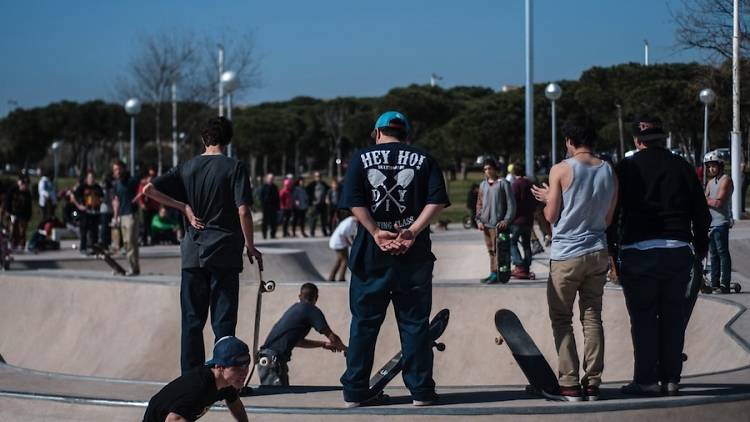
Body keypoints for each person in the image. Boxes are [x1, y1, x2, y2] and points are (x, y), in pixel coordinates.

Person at [339, 111, 449, 407]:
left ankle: (355, 389)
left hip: (371, 256)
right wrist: (411, 231)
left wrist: (376, 231)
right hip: (413, 256)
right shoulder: (424, 159)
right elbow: (437, 200)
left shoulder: (360, 159)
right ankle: (421, 391)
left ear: (377, 133)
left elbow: (354, 201)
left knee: (364, 323)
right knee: (414, 323)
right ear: (406, 135)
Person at [144, 116, 263, 373]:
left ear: (203, 139)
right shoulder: (234, 167)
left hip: (192, 254)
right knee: (223, 322)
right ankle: (225, 377)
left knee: (192, 321)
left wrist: (183, 207)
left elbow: (148, 191)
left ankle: (191, 379)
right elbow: (243, 211)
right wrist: (250, 246)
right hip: (225, 252)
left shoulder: (186, 167)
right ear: (228, 140)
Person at [608, 116, 710, 397]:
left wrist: (611, 250)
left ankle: (645, 380)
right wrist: (701, 246)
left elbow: (613, 213)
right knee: (673, 317)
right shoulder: (683, 166)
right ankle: (671, 379)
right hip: (677, 250)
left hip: (638, 252)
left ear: (637, 141)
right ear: (663, 139)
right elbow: (701, 212)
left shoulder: (626, 167)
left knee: (643, 318)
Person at [531, 120, 617, 401]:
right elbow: (607, 219)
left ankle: (569, 384)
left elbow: (551, 216)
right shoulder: (608, 170)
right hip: (597, 251)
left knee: (561, 318)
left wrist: (548, 198)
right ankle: (592, 383)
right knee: (592, 317)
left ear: (569, 140)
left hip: (567, 254)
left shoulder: (562, 168)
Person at [143, 336, 250, 422]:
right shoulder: (199, 387)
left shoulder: (227, 382)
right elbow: (173, 419)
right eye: (237, 368)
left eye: (246, 365)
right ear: (219, 367)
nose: (244, 372)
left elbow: (235, 404)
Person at [257, 283, 347, 386]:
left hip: (267, 358)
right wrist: (346, 350)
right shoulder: (312, 310)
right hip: (273, 360)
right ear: (316, 297)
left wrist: (323, 344)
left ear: (299, 296)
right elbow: (332, 336)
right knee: (276, 398)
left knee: (281, 397)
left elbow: (298, 342)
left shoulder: (295, 309)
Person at [475, 158, 516, 284]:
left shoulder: (503, 183)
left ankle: (499, 274)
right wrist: (479, 220)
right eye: (485, 169)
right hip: (486, 224)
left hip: (498, 225)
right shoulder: (483, 185)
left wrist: (506, 220)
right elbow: (479, 204)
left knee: (499, 250)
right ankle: (493, 272)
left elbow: (511, 204)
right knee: (491, 250)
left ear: (494, 169)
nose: (487, 171)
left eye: (489, 168)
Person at [703, 151, 734, 293]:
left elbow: (718, 203)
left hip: (721, 222)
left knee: (722, 253)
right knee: (713, 255)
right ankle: (714, 283)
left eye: (713, 166)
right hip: (710, 223)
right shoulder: (710, 183)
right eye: (708, 167)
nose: (710, 169)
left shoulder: (726, 179)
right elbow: (705, 201)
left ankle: (725, 284)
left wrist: (704, 199)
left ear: (720, 165)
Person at [112, 160, 141, 276]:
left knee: (130, 242)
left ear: (123, 169)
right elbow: (116, 201)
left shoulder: (132, 180)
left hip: (131, 215)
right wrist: (115, 217)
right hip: (122, 215)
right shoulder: (117, 184)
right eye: (114, 170)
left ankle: (133, 268)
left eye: (118, 169)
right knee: (126, 243)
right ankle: (134, 267)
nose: (116, 172)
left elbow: (144, 187)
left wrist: (138, 197)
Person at [509, 163, 537, 279]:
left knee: (512, 242)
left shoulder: (516, 184)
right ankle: (526, 267)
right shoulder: (530, 184)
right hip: (529, 220)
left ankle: (519, 264)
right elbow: (535, 200)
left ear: (514, 173)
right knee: (526, 244)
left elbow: (513, 202)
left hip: (517, 220)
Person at [70, 171, 104, 255]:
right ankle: (83, 248)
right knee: (84, 231)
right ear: (87, 179)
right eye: (90, 178)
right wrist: (79, 206)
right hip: (85, 212)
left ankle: (94, 248)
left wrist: (100, 202)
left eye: (92, 177)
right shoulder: (82, 187)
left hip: (95, 212)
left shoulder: (97, 187)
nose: (91, 179)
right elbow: (72, 196)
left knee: (94, 231)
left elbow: (102, 197)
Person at [4, 175, 32, 251]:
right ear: (20, 183)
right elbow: (8, 201)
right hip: (13, 212)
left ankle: (22, 244)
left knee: (22, 230)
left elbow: (29, 206)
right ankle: (13, 243)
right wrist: (8, 212)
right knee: (13, 228)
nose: (25, 187)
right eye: (24, 185)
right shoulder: (13, 189)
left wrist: (29, 216)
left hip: (23, 213)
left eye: (27, 186)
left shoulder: (27, 193)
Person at [328, 213, 358, 281]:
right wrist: (352, 244)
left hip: (341, 243)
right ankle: (341, 277)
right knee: (345, 260)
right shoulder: (349, 222)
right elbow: (344, 234)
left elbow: (351, 235)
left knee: (339, 260)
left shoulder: (354, 222)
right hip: (338, 243)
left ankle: (331, 277)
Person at [138, 166, 160, 246]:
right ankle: (144, 239)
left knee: (153, 224)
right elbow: (140, 193)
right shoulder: (144, 182)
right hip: (147, 206)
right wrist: (142, 203)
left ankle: (152, 239)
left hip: (154, 206)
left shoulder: (157, 180)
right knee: (145, 224)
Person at [307, 171, 330, 237]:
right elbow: (307, 192)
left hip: (323, 204)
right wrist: (312, 200)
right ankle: (312, 232)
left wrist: (327, 198)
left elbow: (329, 190)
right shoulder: (312, 184)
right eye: (317, 176)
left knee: (324, 219)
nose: (318, 177)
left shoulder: (324, 184)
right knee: (313, 219)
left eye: (319, 176)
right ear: (314, 177)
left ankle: (324, 231)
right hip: (315, 205)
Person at [259, 173, 280, 239]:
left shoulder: (275, 187)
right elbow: (261, 197)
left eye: (272, 178)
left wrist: (278, 206)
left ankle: (273, 234)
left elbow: (277, 197)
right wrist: (262, 205)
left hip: (273, 206)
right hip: (266, 206)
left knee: (273, 221)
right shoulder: (264, 187)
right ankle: (264, 235)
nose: (271, 180)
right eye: (270, 178)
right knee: (265, 221)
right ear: (267, 179)